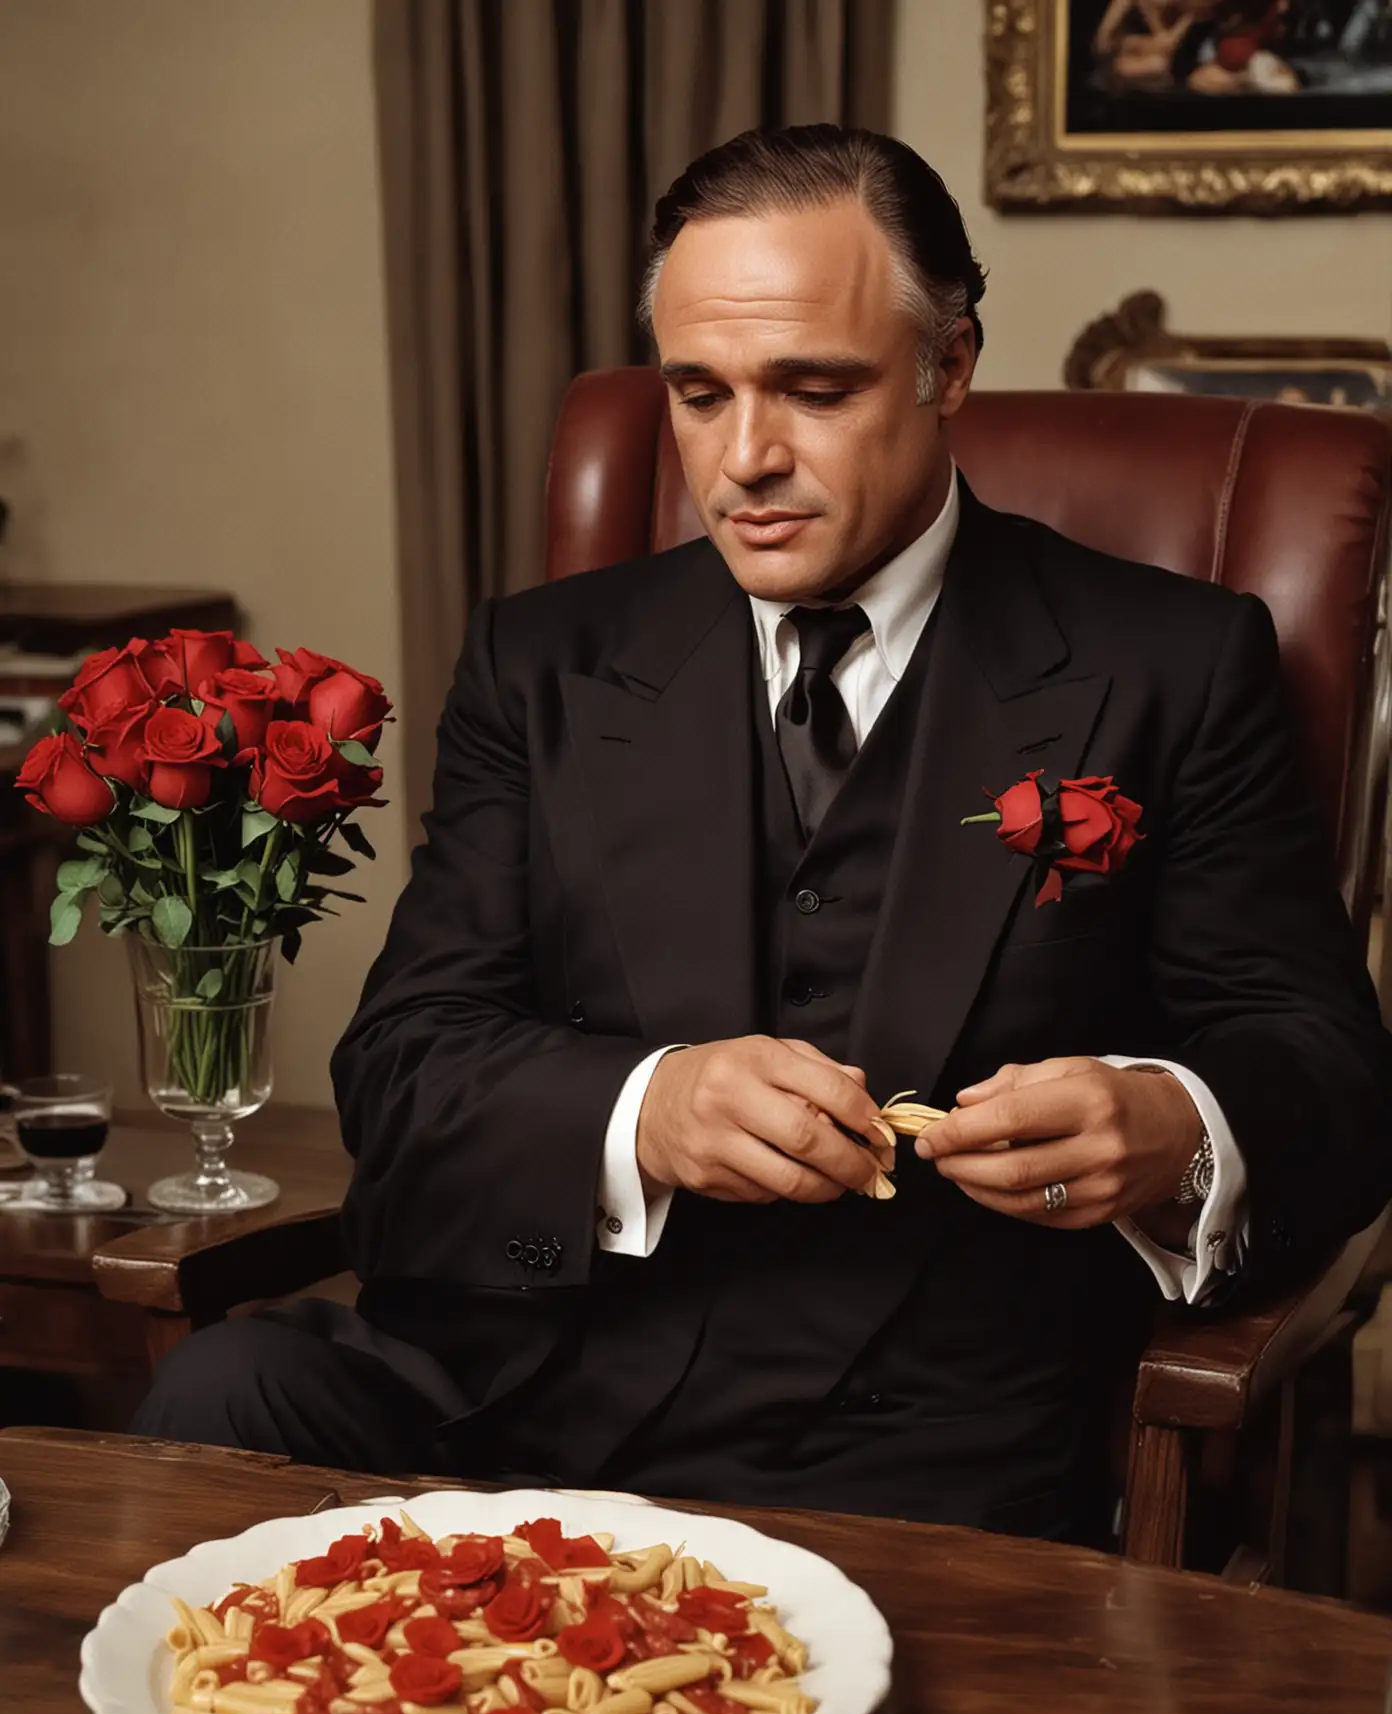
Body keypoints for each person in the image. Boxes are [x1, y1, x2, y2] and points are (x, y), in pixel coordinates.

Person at [132, 126, 1392, 1544]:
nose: (746, 461)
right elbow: (405, 1073)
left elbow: (1329, 1077)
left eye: (815, 389)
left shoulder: (1174, 662)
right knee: (222, 1396)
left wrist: (1173, 1127)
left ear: (951, 365)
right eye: (699, 393)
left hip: (906, 1437)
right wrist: (643, 1110)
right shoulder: (543, 662)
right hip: (507, 1384)